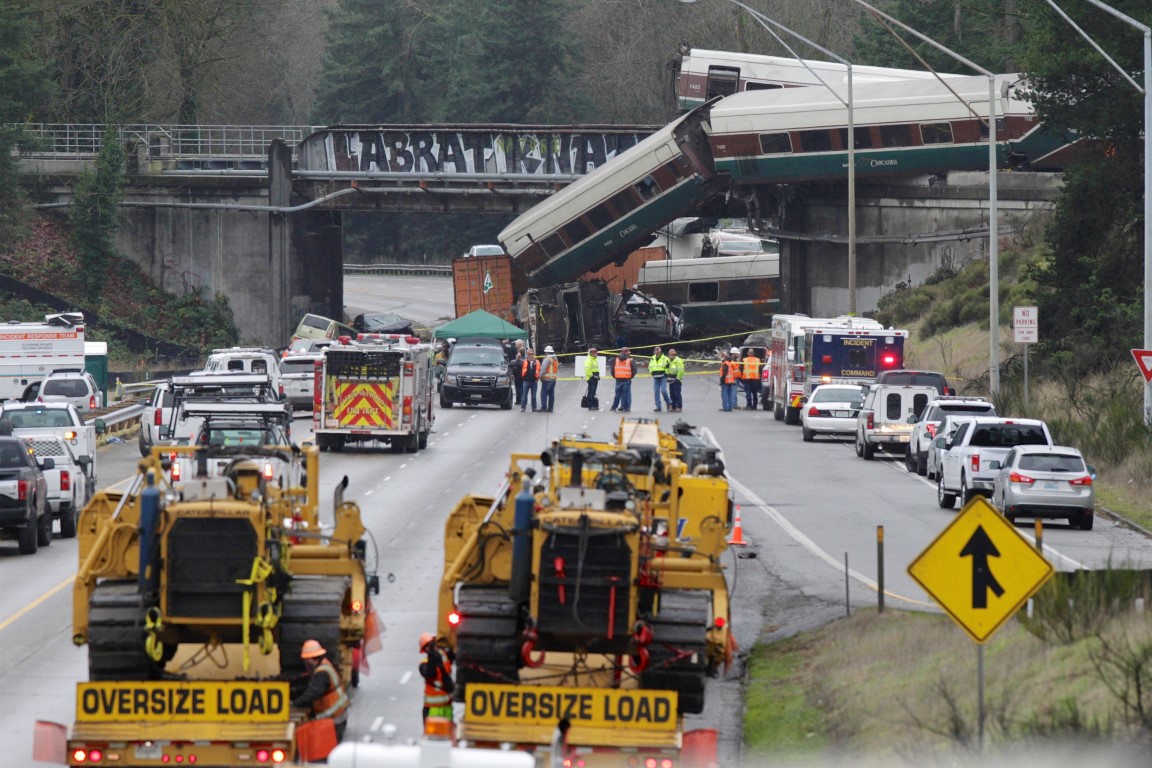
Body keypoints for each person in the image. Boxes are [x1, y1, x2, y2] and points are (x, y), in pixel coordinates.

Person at [292, 639, 350, 741]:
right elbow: (313, 688)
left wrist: (295, 704)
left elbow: (312, 693)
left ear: (313, 659)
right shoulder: (325, 665)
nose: (306, 664)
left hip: (333, 719)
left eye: (307, 660)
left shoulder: (321, 673)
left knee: (327, 751)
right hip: (338, 717)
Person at [419, 632, 455, 724]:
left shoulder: (445, 657)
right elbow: (430, 673)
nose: (433, 647)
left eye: (433, 644)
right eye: (429, 646)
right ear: (425, 649)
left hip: (447, 707)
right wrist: (432, 657)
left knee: (449, 735)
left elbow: (454, 652)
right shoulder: (424, 664)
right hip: (432, 709)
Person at [609, 347, 636, 413]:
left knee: (617, 394)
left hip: (618, 379)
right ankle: (625, 408)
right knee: (625, 394)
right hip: (626, 379)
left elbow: (612, 370)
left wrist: (616, 376)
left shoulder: (616, 359)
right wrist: (630, 376)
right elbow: (634, 370)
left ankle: (614, 407)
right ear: (626, 353)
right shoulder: (630, 360)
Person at [649, 345, 671, 412]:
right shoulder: (652, 358)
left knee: (663, 391)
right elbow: (650, 367)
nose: (656, 353)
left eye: (657, 351)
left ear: (660, 351)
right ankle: (658, 407)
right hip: (656, 377)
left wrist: (666, 373)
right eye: (655, 352)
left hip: (663, 377)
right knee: (656, 392)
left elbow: (668, 367)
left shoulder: (665, 358)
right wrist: (651, 372)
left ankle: (669, 403)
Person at [540, 346, 559, 412]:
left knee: (544, 393)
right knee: (551, 394)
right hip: (553, 379)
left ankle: (543, 407)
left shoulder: (547, 359)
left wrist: (540, 376)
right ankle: (550, 408)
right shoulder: (555, 359)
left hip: (547, 379)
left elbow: (543, 369)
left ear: (547, 352)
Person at [666, 348, 685, 412]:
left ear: (674, 355)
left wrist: (678, 378)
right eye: (670, 355)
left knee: (677, 393)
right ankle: (673, 406)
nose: (670, 356)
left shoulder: (678, 361)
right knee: (672, 394)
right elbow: (667, 368)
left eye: (672, 355)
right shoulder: (668, 361)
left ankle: (679, 407)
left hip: (677, 380)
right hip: (670, 379)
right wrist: (667, 375)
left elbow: (681, 371)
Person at [509, 339, 526, 406]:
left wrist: (516, 361)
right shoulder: (521, 351)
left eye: (516, 344)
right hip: (521, 372)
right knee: (521, 387)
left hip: (519, 372)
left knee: (519, 387)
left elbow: (518, 362)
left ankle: (519, 400)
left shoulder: (520, 352)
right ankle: (521, 399)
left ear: (519, 344)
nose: (515, 345)